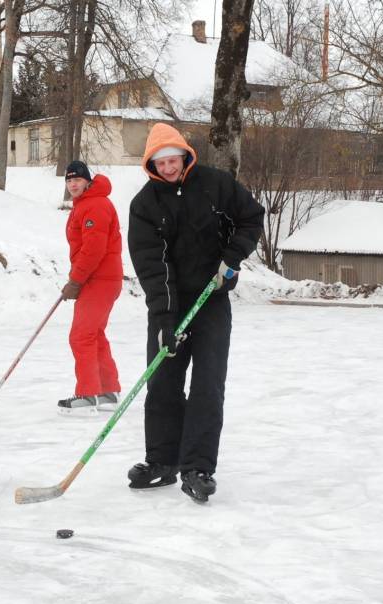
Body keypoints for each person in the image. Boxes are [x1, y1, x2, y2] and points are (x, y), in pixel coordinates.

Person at [126, 123, 264, 502]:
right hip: (167, 303)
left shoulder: (216, 184)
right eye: (161, 163)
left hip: (212, 299)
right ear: (150, 164)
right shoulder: (145, 205)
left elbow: (252, 217)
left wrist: (231, 260)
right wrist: (167, 320)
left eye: (173, 160)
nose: (169, 168)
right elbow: (153, 266)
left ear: (185, 155)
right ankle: (163, 462)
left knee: (207, 384)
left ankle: (198, 466)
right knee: (163, 382)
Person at [57, 160, 124, 417]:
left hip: (100, 279)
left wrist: (75, 280)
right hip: (99, 279)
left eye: (77, 179)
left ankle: (87, 395)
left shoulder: (95, 204)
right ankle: (108, 392)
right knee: (94, 334)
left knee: (81, 336)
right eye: (69, 180)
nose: (73, 184)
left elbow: (93, 250)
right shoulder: (86, 204)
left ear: (88, 181)